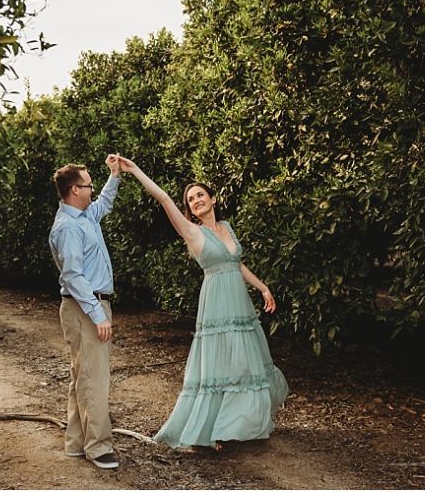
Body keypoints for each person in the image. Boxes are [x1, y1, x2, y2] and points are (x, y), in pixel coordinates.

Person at [114, 155, 288, 449]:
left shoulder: (227, 227)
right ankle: (212, 430)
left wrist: (263, 288)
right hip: (217, 303)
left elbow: (237, 263)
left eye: (200, 195)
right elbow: (164, 198)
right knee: (218, 363)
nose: (195, 200)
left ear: (213, 198)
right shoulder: (192, 231)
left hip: (239, 302)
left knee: (243, 363)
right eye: (191, 199)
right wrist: (135, 170)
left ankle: (237, 424)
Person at [48, 156, 122, 470]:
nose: (93, 189)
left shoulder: (84, 216)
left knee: (83, 376)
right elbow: (72, 277)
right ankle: (98, 447)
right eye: (89, 184)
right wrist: (97, 314)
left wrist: (114, 175)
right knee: (95, 379)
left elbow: (104, 202)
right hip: (84, 307)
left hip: (90, 305)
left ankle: (77, 443)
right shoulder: (67, 227)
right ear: (75, 190)